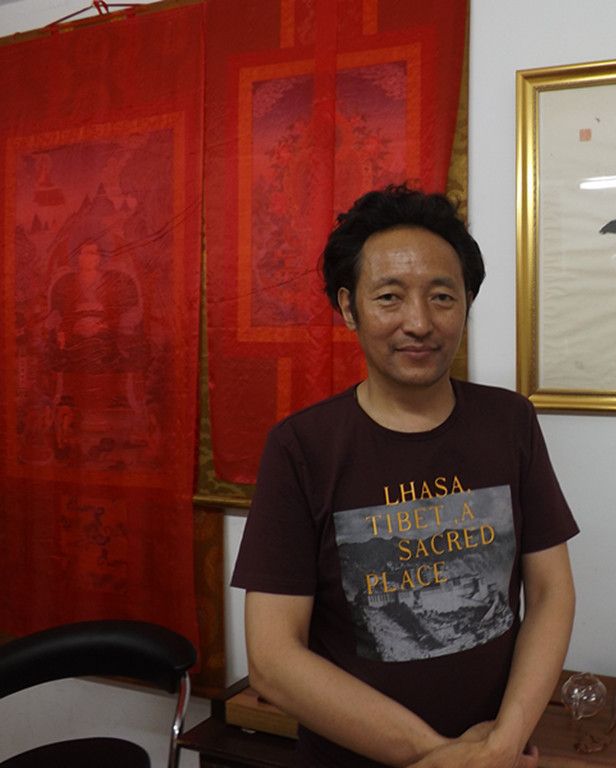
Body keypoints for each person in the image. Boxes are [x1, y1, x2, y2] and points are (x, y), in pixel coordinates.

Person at [231, 184, 578, 768]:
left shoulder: (509, 421)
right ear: (349, 308)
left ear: (467, 302)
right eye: (390, 297)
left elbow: (550, 592)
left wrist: (503, 742)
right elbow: (272, 659)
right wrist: (445, 758)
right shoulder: (302, 447)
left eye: (442, 297)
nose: (419, 322)